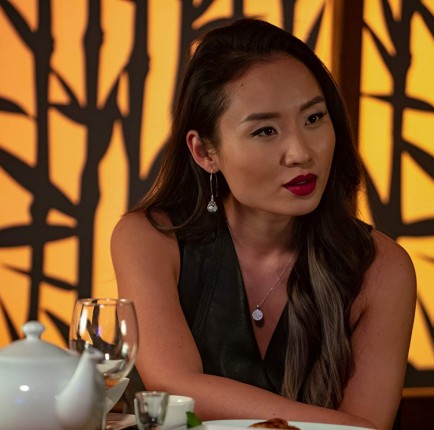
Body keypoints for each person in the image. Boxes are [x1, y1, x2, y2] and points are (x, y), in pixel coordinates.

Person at [111, 18, 416, 430]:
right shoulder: (150, 239)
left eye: (314, 118)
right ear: (204, 152)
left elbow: (367, 425)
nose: (300, 152)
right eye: (266, 130)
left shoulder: (381, 266)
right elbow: (174, 387)